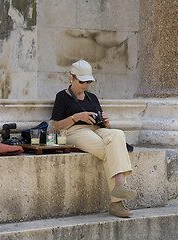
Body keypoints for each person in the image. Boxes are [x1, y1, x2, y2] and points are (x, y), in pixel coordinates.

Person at [51, 59, 137, 218]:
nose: (85, 85)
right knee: (108, 149)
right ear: (72, 78)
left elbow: (106, 130)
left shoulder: (92, 97)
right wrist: (76, 117)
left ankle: (119, 188)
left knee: (117, 134)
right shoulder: (62, 96)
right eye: (82, 81)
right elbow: (55, 126)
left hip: (96, 130)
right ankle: (116, 201)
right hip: (73, 131)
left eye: (88, 81)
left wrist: (106, 123)